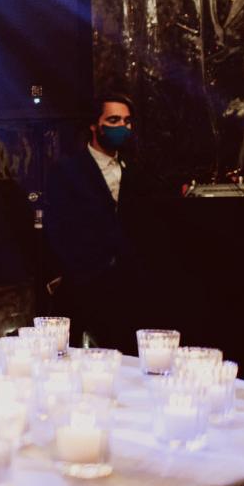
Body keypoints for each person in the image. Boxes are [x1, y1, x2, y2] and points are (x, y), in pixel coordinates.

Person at [43, 93, 151, 348]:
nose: (121, 127)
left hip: (126, 287)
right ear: (95, 124)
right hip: (82, 284)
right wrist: (64, 276)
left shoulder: (134, 170)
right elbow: (57, 226)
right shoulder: (67, 170)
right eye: (113, 120)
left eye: (126, 121)